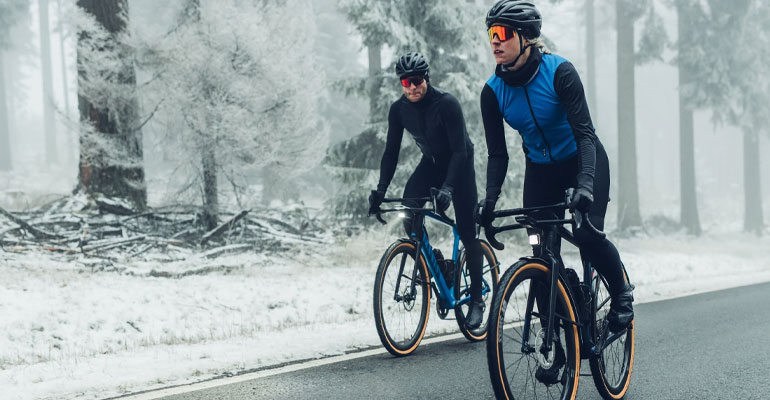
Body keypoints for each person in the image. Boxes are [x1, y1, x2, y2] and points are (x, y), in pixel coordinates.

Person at [476, 0, 634, 336]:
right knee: (541, 250)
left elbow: (585, 134)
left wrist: (586, 184)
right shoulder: (492, 92)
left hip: (582, 160)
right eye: (491, 33)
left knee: (586, 235)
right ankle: (561, 341)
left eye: (502, 33)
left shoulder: (559, 72)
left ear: (526, 37)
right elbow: (498, 155)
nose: (495, 41)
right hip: (541, 170)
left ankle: (622, 296)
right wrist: (489, 201)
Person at [368, 52, 486, 329]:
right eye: (406, 82)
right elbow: (391, 153)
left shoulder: (447, 104)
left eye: (417, 80)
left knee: (468, 231)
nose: (412, 87)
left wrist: (448, 188)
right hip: (431, 163)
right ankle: (440, 264)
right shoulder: (399, 110)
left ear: (426, 78)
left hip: (460, 164)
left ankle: (477, 301)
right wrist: (380, 190)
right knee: (409, 212)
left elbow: (459, 151)